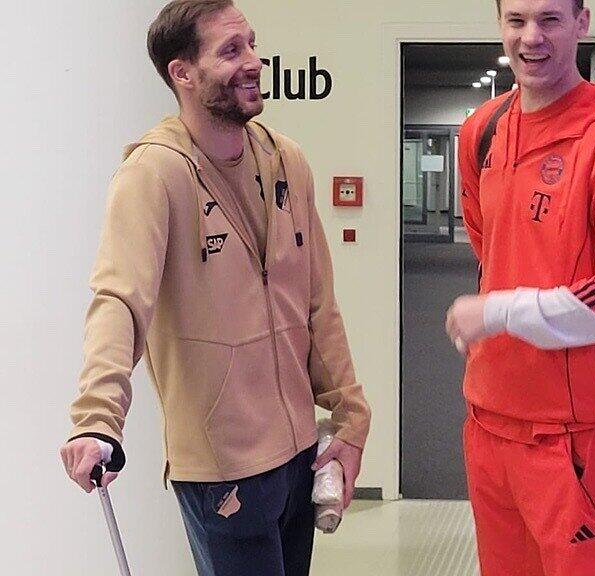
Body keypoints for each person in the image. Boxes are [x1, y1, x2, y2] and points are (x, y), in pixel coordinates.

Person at [58, 1, 371, 574]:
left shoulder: (286, 162)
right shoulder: (154, 175)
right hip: (223, 471)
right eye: (231, 51)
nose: (254, 61)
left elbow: (319, 306)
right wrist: (97, 417)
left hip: (299, 454)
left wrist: (351, 420)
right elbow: (119, 302)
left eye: (251, 44)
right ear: (183, 72)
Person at [445, 0, 595, 574]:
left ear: (582, 22)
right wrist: (507, 309)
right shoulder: (483, 130)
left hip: (580, 438)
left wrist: (503, 312)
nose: (532, 38)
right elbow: (492, 248)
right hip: (489, 420)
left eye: (550, 19)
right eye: (517, 20)